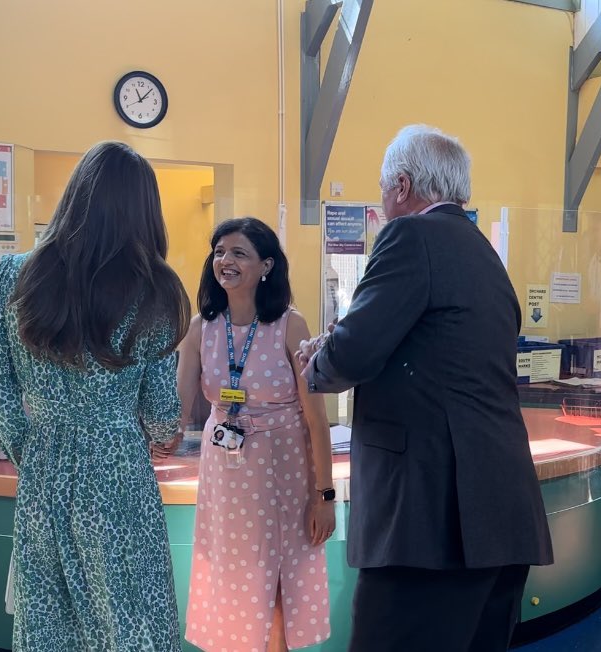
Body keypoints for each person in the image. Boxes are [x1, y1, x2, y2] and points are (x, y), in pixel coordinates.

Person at [297, 125, 554, 652]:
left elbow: (354, 353)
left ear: (402, 186)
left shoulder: (410, 236)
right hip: (498, 512)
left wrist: (315, 360)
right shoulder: (482, 252)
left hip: (430, 521)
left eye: (382, 190)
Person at [0, 141, 190, 651]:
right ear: (146, 210)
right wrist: (165, 435)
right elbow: (162, 413)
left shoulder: (15, 274)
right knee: (131, 621)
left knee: (49, 622)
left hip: (44, 470)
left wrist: (32, 453)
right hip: (118, 471)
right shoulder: (154, 290)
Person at [174, 217, 335, 652]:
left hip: (282, 473)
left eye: (238, 253)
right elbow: (175, 412)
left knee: (280, 581)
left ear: (266, 265)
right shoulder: (199, 328)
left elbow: (316, 420)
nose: (224, 261)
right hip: (226, 476)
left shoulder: (290, 324)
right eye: (219, 252)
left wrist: (324, 496)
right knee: (233, 577)